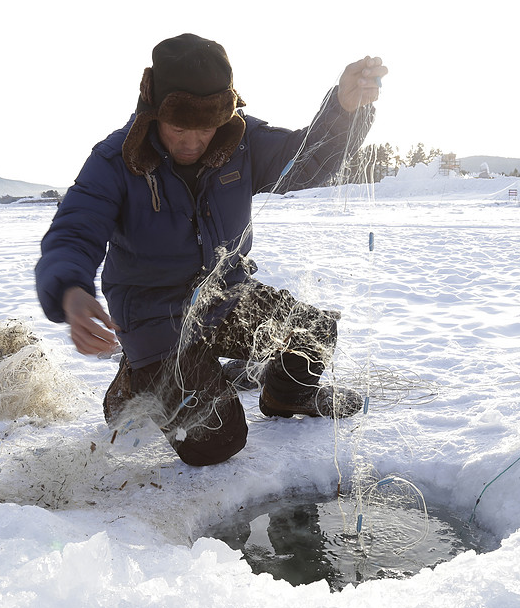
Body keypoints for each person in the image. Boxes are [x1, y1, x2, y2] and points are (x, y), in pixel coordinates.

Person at [36, 33, 386, 467]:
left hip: (224, 297)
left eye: (205, 128)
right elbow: (73, 230)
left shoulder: (241, 140)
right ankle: (135, 378)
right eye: (179, 127)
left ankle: (285, 395)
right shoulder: (115, 160)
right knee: (217, 442)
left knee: (315, 332)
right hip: (155, 315)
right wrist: (69, 289)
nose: (193, 142)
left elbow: (305, 158)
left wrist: (344, 108)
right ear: (153, 111)